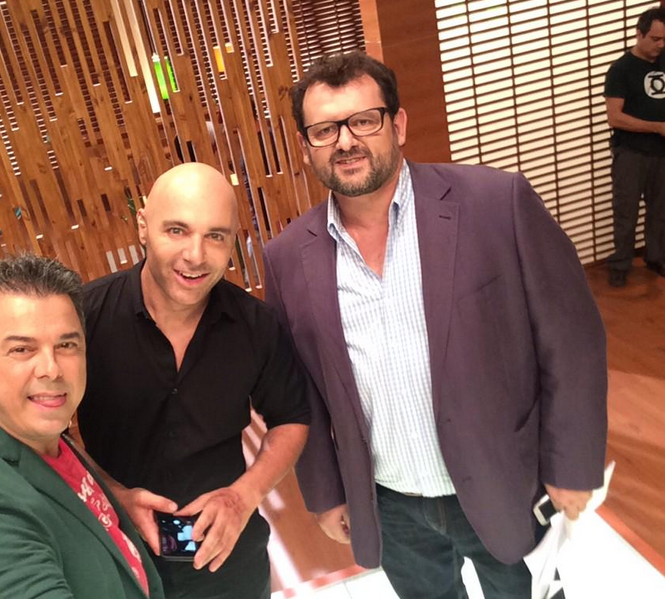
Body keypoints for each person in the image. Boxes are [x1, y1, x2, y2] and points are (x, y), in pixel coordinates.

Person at [263, 51, 608, 599]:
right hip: (390, 504)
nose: (345, 141)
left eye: (364, 121)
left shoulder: (495, 203)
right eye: (325, 130)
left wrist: (573, 463)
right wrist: (327, 493)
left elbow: (571, 341)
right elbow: (299, 389)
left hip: (506, 481)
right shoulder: (286, 257)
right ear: (307, 145)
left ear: (398, 124)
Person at [77, 162, 310, 599]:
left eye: (215, 236)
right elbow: (43, 434)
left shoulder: (255, 326)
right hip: (118, 556)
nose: (196, 255)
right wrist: (113, 495)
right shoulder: (85, 317)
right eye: (177, 230)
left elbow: (291, 417)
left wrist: (243, 496)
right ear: (143, 226)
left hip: (228, 560)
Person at [0, 255, 163, 599]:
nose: (51, 369)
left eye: (66, 345)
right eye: (22, 349)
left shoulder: (30, 431)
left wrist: (115, 497)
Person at [604, 6, 665, 287]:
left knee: (660, 210)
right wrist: (657, 127)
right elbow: (614, 117)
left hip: (661, 153)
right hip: (630, 153)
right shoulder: (621, 70)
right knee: (626, 211)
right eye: (655, 39)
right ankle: (620, 263)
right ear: (639, 34)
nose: (660, 45)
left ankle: (656, 257)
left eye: (664, 39)